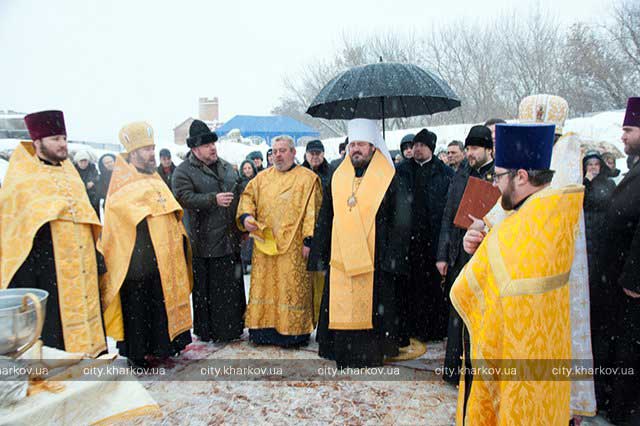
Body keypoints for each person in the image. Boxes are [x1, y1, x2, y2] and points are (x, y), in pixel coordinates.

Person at [454, 123, 583, 424]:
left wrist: (486, 245)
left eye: (499, 176)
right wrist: (477, 241)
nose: (496, 186)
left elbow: (467, 289)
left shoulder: (525, 224)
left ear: (521, 176)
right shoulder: (552, 208)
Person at [483, 94, 596, 418]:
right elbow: (510, 209)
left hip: (553, 280)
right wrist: (486, 226)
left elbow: (530, 214)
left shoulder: (564, 177)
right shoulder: (528, 173)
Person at [1, 110, 106, 356]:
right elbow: (16, 229)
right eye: (55, 139)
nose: (62, 145)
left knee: (88, 323)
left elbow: (85, 215)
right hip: (47, 268)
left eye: (64, 138)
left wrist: (96, 256)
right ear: (37, 143)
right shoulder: (23, 178)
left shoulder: (70, 172)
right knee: (55, 333)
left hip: (82, 266)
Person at [310, 119, 411, 367]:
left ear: (373, 147)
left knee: (375, 308)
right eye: (352, 144)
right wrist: (319, 253)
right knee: (341, 303)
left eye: (361, 144)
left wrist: (394, 256)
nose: (355, 149)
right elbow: (327, 215)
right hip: (341, 256)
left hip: (376, 256)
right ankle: (341, 351)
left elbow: (401, 221)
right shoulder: (337, 176)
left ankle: (371, 352)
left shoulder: (388, 177)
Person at [99, 121, 192, 367]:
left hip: (163, 257)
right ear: (132, 152)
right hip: (136, 259)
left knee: (160, 302)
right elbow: (119, 220)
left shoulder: (155, 178)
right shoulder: (122, 181)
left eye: (153, 147)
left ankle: (164, 345)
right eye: (146, 149)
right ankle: (139, 352)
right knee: (138, 307)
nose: (152, 153)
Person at [236, 135, 322, 347]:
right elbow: (247, 197)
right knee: (266, 289)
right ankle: (263, 330)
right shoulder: (261, 179)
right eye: (275, 151)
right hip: (265, 244)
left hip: (293, 248)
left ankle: (293, 332)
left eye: (283, 150)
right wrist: (246, 217)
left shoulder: (308, 179)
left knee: (290, 289)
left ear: (293, 153)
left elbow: (313, 212)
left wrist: (308, 240)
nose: (278, 155)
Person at [172, 119, 245, 343]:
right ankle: (211, 330)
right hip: (205, 241)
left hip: (230, 238)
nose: (212, 148)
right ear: (195, 149)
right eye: (206, 145)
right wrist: (212, 200)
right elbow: (183, 197)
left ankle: (234, 327)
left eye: (213, 144)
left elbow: (240, 188)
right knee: (210, 291)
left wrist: (243, 222)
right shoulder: (183, 172)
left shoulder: (225, 166)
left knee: (232, 288)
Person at [436, 125, 494, 383]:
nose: (470, 153)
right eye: (468, 148)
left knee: (480, 311)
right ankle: (453, 369)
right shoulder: (462, 173)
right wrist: (442, 255)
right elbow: (448, 214)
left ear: (488, 149)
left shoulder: (498, 175)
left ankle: (475, 372)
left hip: (485, 252)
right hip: (459, 251)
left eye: (475, 149)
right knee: (458, 307)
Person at [600, 97, 640, 425]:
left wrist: (634, 279)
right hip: (619, 282)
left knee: (631, 354)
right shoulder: (636, 167)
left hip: (633, 288)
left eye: (628, 129)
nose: (622, 136)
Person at [396, 129, 453, 344]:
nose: (417, 149)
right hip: (408, 240)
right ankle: (410, 328)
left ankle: (433, 329)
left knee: (432, 287)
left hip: (434, 239)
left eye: (421, 145)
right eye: (415, 145)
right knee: (409, 287)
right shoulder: (401, 171)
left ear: (431, 147)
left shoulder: (445, 173)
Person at [74, 150, 101, 216]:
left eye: (85, 161)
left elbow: (97, 177)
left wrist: (93, 182)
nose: (83, 163)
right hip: (79, 196)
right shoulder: (73, 170)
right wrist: (85, 184)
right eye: (81, 161)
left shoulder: (92, 168)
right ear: (77, 162)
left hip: (92, 196)